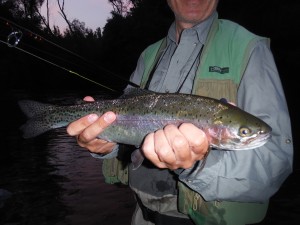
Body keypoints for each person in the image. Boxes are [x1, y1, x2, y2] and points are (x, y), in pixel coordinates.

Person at [66, 0, 293, 224]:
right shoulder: (148, 55)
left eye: (243, 132)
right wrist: (106, 145)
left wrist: (198, 164)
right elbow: (126, 127)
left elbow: (274, 163)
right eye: (244, 132)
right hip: (141, 215)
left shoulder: (250, 48)